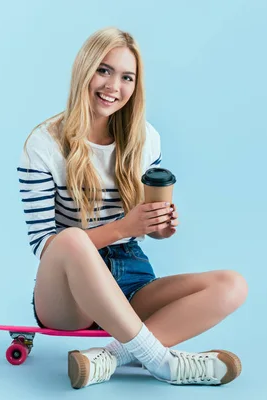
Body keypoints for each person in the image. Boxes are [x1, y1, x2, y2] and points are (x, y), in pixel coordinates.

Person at [17, 27, 248, 389]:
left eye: (127, 77)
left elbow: (146, 227)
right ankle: (163, 363)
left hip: (130, 280)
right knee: (72, 239)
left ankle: (110, 357)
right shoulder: (44, 143)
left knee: (233, 285)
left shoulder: (145, 138)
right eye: (104, 70)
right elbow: (44, 244)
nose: (114, 86)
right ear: (84, 70)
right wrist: (124, 227)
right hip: (67, 294)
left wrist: (159, 226)